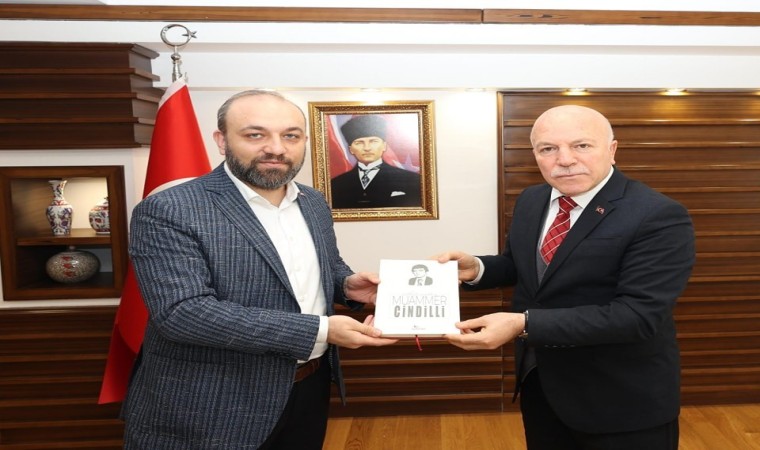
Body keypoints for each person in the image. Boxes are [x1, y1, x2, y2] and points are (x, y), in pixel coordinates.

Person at [121, 90, 397, 450]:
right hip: (210, 404)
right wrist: (322, 329)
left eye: (290, 136)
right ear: (222, 141)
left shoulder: (313, 201)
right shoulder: (169, 208)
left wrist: (346, 285)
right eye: (255, 135)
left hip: (309, 388)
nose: (276, 148)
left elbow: (321, 268)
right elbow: (182, 313)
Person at [436, 105, 695, 450]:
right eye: (548, 148)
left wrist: (523, 323)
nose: (565, 159)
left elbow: (637, 315)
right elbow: (527, 269)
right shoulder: (532, 199)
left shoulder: (657, 214)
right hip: (541, 383)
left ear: (612, 150)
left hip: (620, 401)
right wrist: (478, 269)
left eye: (581, 145)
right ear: (535, 155)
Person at [330, 114, 422, 209]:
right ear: (351, 149)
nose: (367, 148)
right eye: (359, 143)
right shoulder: (336, 185)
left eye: (373, 141)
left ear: (384, 146)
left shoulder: (412, 180)